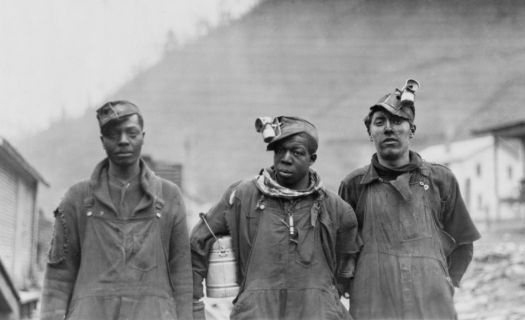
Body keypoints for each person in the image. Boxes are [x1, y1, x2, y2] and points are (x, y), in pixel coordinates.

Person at [191, 116, 361, 320]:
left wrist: (323, 300)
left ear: (312, 158)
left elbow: (346, 269)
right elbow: (197, 242)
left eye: (297, 152)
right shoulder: (242, 196)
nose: (286, 158)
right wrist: (194, 305)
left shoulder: (337, 208)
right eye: (279, 150)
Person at [338, 81, 481, 320]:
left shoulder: (440, 179)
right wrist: (345, 289)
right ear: (370, 132)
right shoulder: (354, 185)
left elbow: (463, 242)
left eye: (397, 121)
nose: (389, 129)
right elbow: (341, 250)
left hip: (431, 305)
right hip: (372, 306)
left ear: (411, 130)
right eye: (380, 122)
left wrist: (447, 283)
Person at [40, 101, 192, 320]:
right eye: (113, 135)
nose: (123, 141)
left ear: (142, 136)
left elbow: (183, 278)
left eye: (131, 133)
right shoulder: (77, 198)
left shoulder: (169, 197)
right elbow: (58, 279)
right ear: (103, 141)